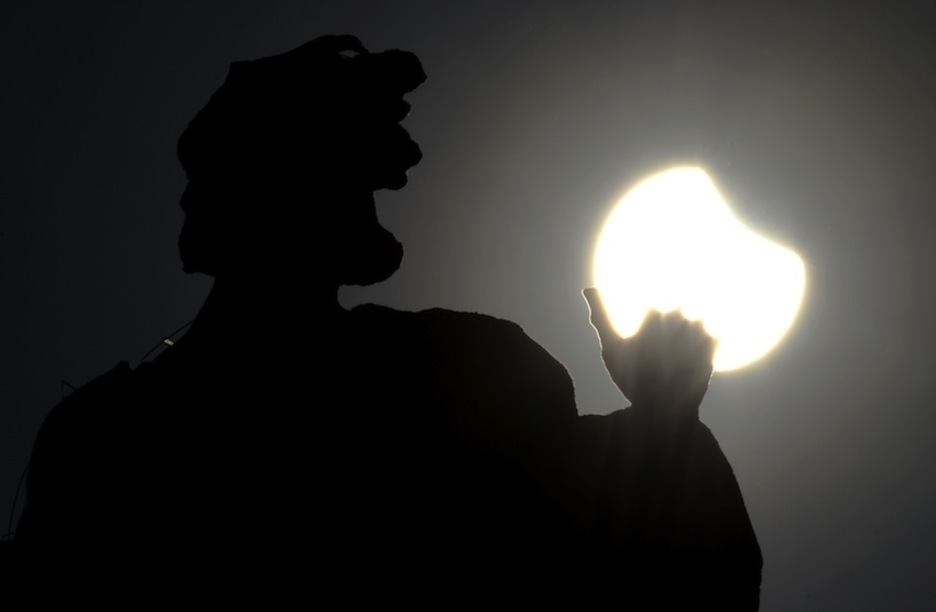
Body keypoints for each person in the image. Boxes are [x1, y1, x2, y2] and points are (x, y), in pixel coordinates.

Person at [14, 35, 760, 606]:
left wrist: (666, 422)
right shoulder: (106, 436)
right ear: (256, 195)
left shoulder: (467, 369)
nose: (371, 196)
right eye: (335, 171)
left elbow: (599, 561)